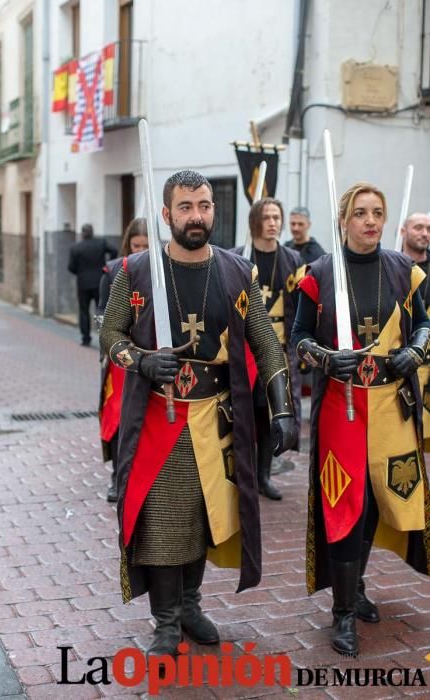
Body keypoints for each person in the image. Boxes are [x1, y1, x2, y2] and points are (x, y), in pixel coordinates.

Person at [100, 170, 297, 662]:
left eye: (204, 206)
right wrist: (141, 360)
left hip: (216, 416)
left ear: (214, 210)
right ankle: (166, 623)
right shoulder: (136, 270)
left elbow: (265, 341)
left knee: (204, 519)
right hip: (158, 417)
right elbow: (111, 334)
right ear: (167, 214)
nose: (196, 215)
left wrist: (283, 407)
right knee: (163, 521)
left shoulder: (237, 271)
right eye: (185, 207)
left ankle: (191, 606)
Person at [292, 182, 430, 657]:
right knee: (344, 503)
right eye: (360, 213)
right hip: (341, 409)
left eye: (377, 212)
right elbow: (300, 337)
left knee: (376, 499)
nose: (370, 221)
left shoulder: (406, 272)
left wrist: (415, 348)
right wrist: (327, 359)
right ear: (344, 220)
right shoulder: (318, 274)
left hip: (391, 406)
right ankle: (343, 613)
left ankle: (359, 588)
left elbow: (427, 321)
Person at [234, 198, 304, 499]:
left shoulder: (292, 261)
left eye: (278, 216)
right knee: (240, 416)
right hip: (244, 353)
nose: (274, 223)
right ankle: (241, 477)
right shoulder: (238, 258)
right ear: (255, 222)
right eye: (267, 217)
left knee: (267, 417)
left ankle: (263, 475)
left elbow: (302, 306)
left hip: (277, 353)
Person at [97, 218, 148, 502]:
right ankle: (118, 476)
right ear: (128, 243)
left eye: (145, 246)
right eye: (135, 245)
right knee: (117, 417)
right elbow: (103, 315)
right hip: (121, 358)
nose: (139, 250)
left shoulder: (161, 270)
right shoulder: (114, 270)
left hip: (149, 356)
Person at [401, 212, 430, 450]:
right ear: (403, 231)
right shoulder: (393, 267)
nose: (424, 233)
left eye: (428, 229)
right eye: (418, 227)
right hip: (406, 365)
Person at [68, 223, 118, 346]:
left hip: (83, 283)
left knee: (84, 310)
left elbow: (71, 267)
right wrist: (108, 265)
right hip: (99, 281)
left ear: (82, 233)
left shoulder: (76, 247)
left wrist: (80, 272)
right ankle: (103, 337)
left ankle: (86, 338)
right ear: (92, 232)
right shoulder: (101, 243)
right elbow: (114, 251)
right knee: (101, 309)